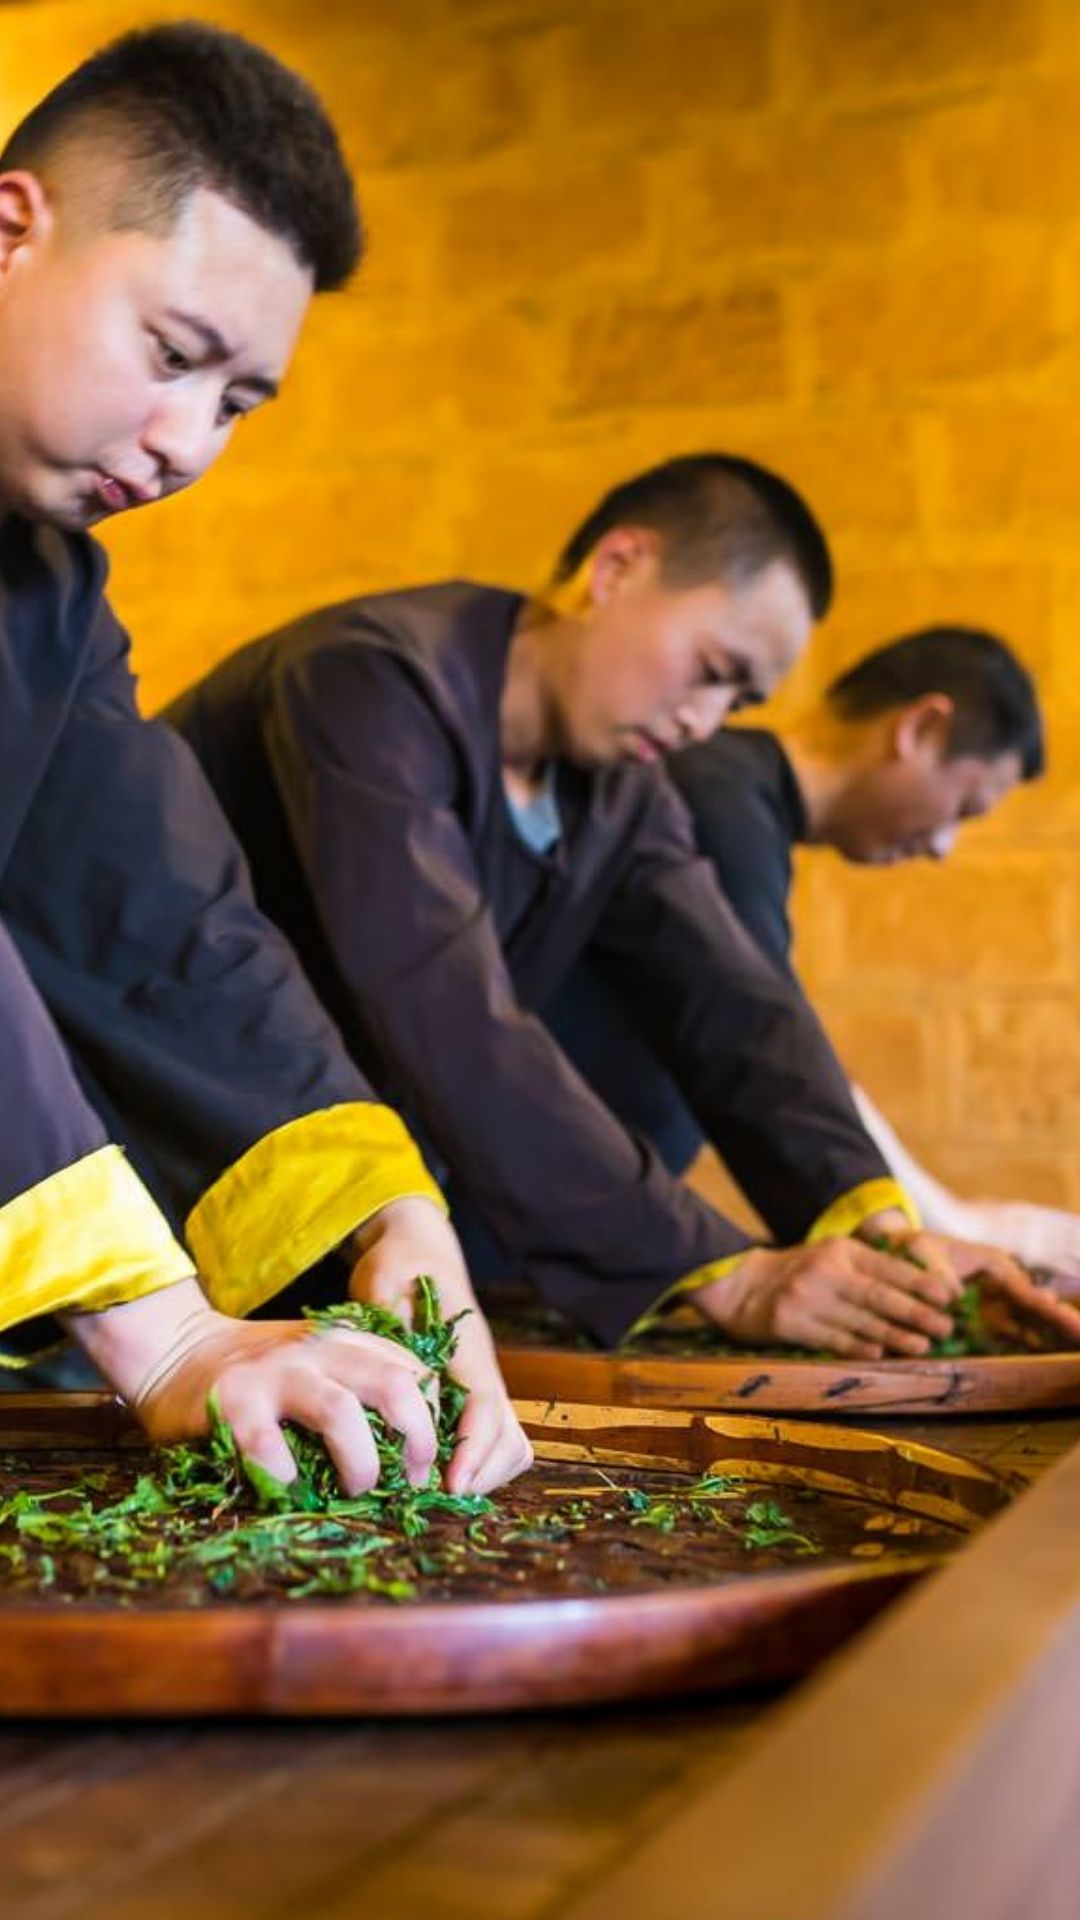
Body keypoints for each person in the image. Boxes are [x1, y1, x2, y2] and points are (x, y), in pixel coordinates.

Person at [166, 454, 1080, 1357]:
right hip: (156, 1215)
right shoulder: (368, 681)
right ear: (616, 568)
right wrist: (724, 1273)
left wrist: (884, 1227)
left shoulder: (617, 788)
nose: (705, 722)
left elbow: (733, 1000)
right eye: (712, 669)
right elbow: (446, 1006)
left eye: (738, 699)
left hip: (320, 1239)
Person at [0, 22, 530, 1495]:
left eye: (236, 403)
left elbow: (164, 923)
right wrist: (164, 1334)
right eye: (173, 356)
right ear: (12, 230)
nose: (185, 442)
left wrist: (389, 1219)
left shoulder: (49, 586)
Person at [545, 627, 1080, 1275]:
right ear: (921, 729)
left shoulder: (738, 803)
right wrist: (963, 1227)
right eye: (963, 807)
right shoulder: (712, 801)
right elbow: (772, 1057)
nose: (944, 847)